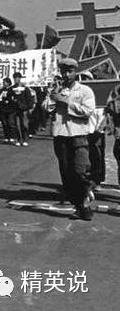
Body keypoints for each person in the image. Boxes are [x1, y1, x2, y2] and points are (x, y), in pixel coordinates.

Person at [50, 58, 96, 220]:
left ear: (75, 72)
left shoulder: (85, 91)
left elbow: (88, 111)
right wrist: (52, 98)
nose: (66, 75)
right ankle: (80, 206)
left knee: (80, 170)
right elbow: (45, 107)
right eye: (64, 71)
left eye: (70, 71)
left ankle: (87, 189)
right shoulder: (57, 90)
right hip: (60, 135)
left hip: (78, 135)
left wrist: (67, 103)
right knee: (66, 174)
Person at [11, 72, 35, 145]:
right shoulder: (12, 88)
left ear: (20, 78)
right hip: (15, 109)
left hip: (24, 109)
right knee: (17, 125)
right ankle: (19, 139)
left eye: (17, 78)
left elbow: (29, 98)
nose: (16, 79)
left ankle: (25, 139)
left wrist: (30, 107)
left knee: (24, 124)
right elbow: (8, 97)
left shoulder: (25, 88)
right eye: (14, 78)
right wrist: (12, 100)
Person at [0, 78, 18, 145]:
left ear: (8, 83)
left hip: (10, 109)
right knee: (4, 124)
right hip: (3, 109)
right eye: (3, 82)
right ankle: (6, 137)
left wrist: (9, 100)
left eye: (4, 82)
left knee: (11, 123)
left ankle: (12, 137)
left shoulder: (12, 89)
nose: (3, 83)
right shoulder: (1, 89)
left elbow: (15, 98)